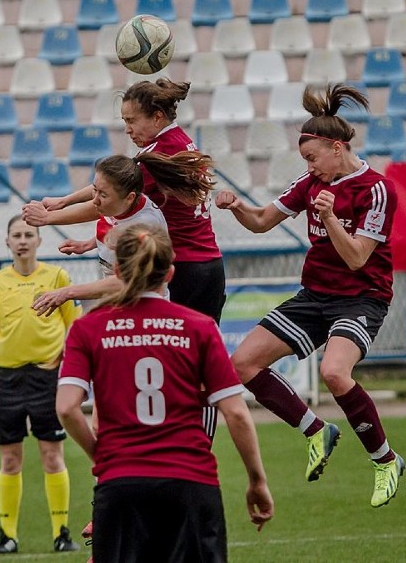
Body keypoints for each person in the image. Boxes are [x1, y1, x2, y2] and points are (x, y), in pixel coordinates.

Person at [214, 83, 405, 508]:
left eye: (312, 158)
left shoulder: (377, 189)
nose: (309, 167)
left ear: (337, 148)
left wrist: (331, 219)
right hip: (315, 294)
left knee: (335, 373)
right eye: (305, 161)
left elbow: (357, 258)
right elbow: (263, 221)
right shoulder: (311, 182)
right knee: (242, 364)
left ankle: (386, 460)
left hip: (362, 297)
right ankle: (316, 430)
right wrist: (236, 206)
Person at [56, 223, 274, 563]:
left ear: (116, 270)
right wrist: (257, 480)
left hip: (121, 482)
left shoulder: (88, 328)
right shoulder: (199, 327)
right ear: (170, 273)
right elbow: (235, 413)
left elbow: (68, 407)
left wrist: (101, 456)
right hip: (189, 481)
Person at [24, 78, 225, 441]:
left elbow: (106, 196)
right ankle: (168, 446)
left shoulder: (156, 156)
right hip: (195, 265)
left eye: (132, 120)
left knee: (192, 373)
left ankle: (196, 449)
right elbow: (112, 194)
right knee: (176, 369)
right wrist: (80, 223)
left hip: (186, 270)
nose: (127, 128)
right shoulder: (168, 145)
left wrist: (51, 215)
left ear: (158, 116)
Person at [0, 215, 81, 554]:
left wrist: (71, 375)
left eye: (29, 234)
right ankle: (7, 536)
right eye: (16, 235)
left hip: (47, 378)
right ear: (7, 242)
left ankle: (62, 534)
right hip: (6, 379)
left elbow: (74, 331)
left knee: (52, 455)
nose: (22, 240)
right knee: (9, 460)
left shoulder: (57, 276)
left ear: (38, 241)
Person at [31, 150, 213, 316]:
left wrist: (66, 292)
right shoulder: (119, 207)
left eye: (102, 195)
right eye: (94, 189)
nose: (94, 200)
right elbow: (116, 227)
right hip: (119, 303)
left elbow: (126, 282)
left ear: (129, 198)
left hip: (144, 312)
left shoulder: (145, 226)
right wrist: (88, 244)